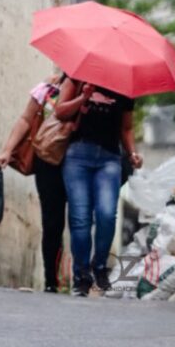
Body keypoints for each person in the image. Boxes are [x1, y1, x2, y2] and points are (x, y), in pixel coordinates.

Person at [54, 77, 142, 296]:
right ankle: (81, 276)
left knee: (106, 214)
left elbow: (127, 128)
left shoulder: (125, 87)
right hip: (77, 156)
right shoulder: (76, 78)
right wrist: (83, 96)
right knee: (80, 217)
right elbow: (60, 111)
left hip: (109, 158)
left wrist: (132, 153)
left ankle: (99, 266)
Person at [0, 74, 67, 292]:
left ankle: (82, 277)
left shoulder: (94, 95)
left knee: (80, 221)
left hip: (79, 164)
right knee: (52, 223)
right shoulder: (48, 89)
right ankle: (52, 281)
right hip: (47, 163)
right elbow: (26, 119)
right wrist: (7, 149)